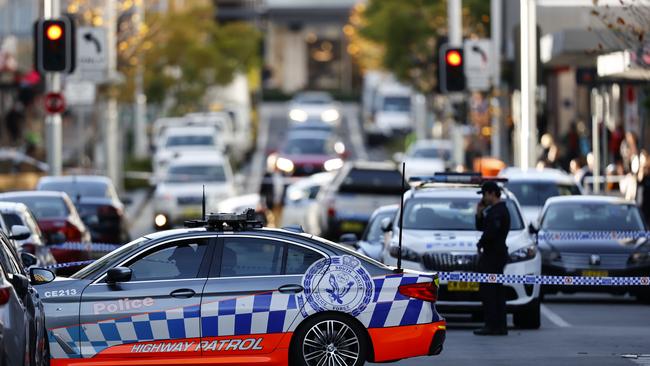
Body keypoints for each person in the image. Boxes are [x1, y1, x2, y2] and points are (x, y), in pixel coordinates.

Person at [474, 181, 510, 336]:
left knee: (490, 291)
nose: (483, 197)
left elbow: (491, 233)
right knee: (495, 291)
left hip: (493, 256)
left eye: (484, 194)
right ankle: (498, 326)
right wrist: (479, 213)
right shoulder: (494, 211)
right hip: (494, 254)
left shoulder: (499, 211)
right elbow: (482, 227)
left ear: (491, 193)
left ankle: (493, 325)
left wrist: (480, 243)